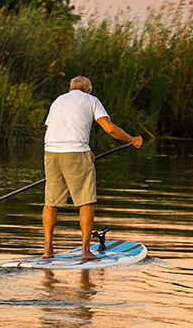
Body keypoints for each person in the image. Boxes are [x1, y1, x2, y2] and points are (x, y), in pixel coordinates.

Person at [42, 76, 143, 260]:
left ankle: (48, 251)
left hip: (50, 152)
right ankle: (85, 251)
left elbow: (47, 133)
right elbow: (110, 129)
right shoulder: (91, 100)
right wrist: (132, 139)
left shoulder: (58, 100)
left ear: (70, 89)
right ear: (89, 90)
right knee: (85, 201)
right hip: (76, 152)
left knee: (51, 202)